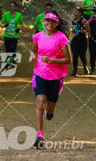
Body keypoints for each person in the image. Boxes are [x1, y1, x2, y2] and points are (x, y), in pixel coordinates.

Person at [29, 11, 71, 149]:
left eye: (52, 21)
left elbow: (68, 60)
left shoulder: (61, 38)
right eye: (47, 20)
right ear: (43, 21)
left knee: (50, 106)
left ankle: (50, 112)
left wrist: (51, 60)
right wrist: (32, 56)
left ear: (56, 24)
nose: (49, 23)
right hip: (40, 73)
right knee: (40, 102)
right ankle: (39, 135)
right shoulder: (38, 36)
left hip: (56, 76)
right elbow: (34, 50)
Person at [70, 7, 89, 76]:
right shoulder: (73, 20)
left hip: (82, 40)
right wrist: (73, 31)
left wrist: (80, 31)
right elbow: (73, 29)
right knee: (74, 56)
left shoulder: (83, 21)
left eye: (76, 12)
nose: (75, 13)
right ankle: (75, 71)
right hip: (75, 40)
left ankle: (85, 67)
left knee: (82, 56)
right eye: (75, 11)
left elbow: (87, 30)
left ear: (80, 13)